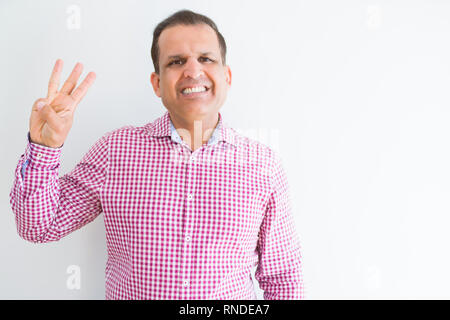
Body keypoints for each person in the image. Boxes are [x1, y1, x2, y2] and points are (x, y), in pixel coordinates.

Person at [10, 9, 304, 300]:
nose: (193, 71)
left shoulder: (263, 164)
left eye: (206, 59)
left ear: (226, 76)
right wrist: (45, 147)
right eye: (176, 61)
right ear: (157, 83)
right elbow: (39, 227)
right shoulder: (116, 151)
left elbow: (283, 279)